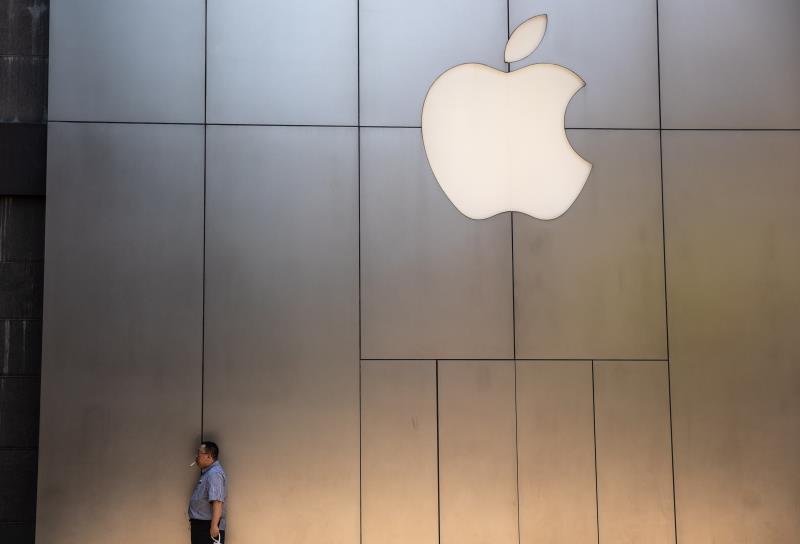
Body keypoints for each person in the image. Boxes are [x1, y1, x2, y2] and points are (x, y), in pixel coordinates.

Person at [188, 441, 227, 543]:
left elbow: (217, 501)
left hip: (207, 527)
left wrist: (214, 526)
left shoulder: (214, 474)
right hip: (202, 526)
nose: (197, 457)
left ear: (209, 456)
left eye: (199, 453)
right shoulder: (208, 473)